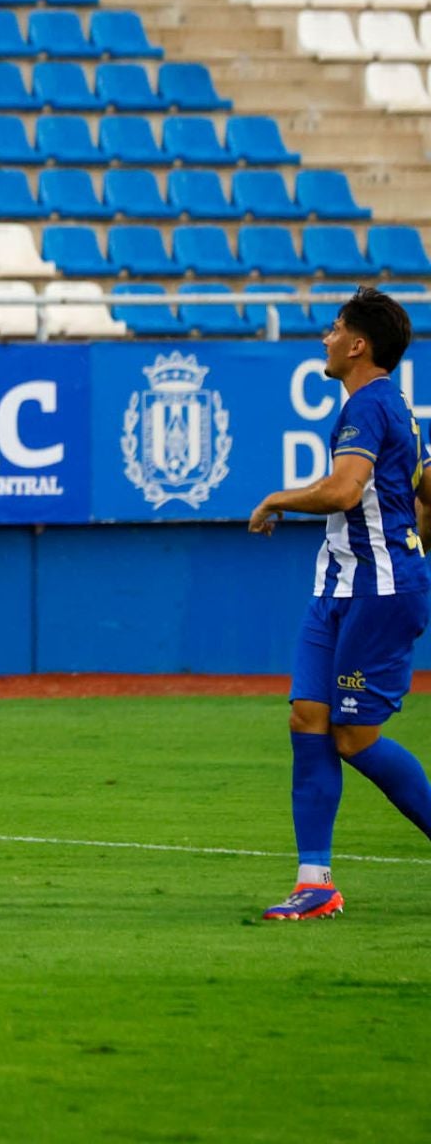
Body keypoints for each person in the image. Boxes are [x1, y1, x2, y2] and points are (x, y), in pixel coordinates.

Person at [248, 286, 431, 921]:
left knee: (353, 736)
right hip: (338, 586)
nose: (325, 337)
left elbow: (344, 491)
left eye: (334, 328)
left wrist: (276, 498)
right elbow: (427, 487)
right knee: (307, 718)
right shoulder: (395, 408)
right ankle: (315, 881)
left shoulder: (367, 408)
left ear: (358, 345)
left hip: (376, 592)